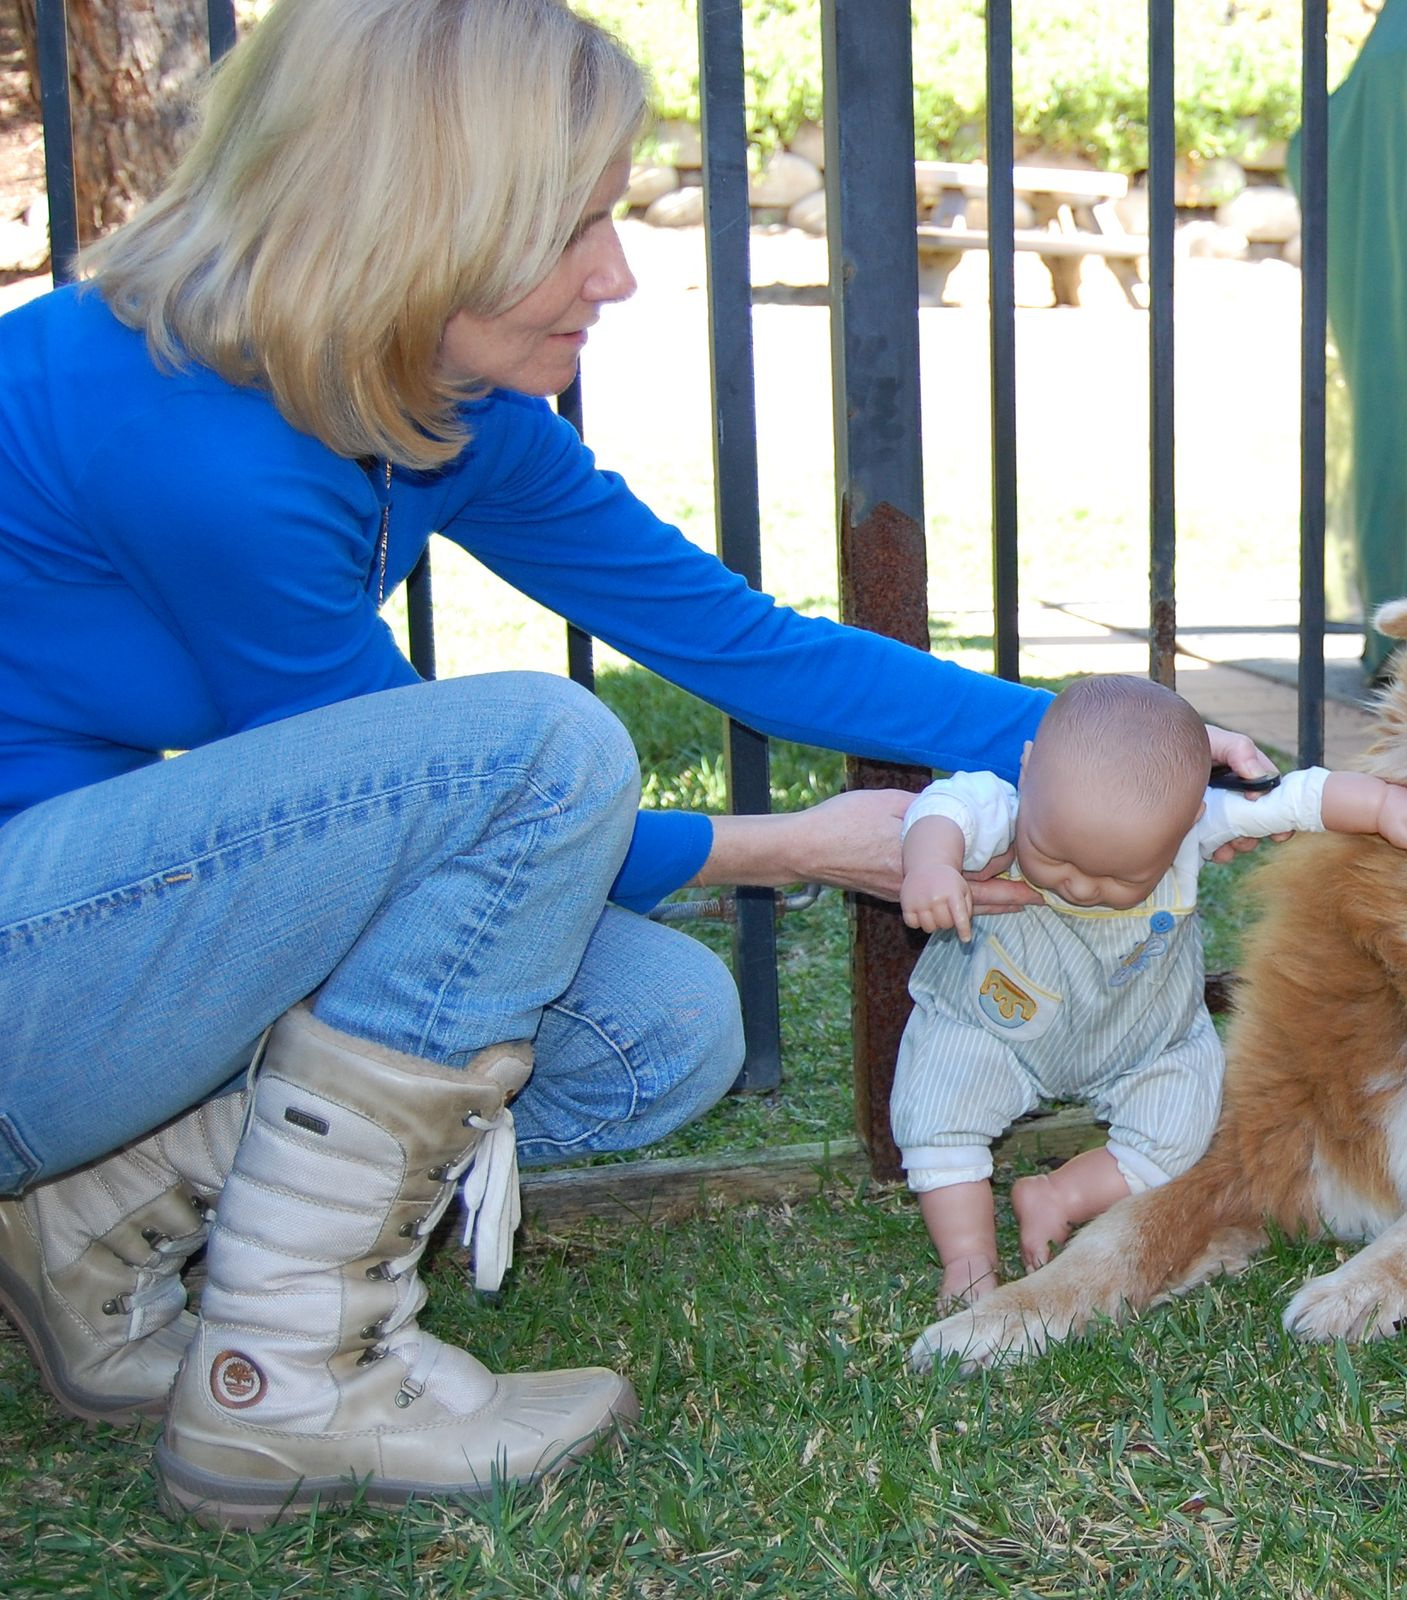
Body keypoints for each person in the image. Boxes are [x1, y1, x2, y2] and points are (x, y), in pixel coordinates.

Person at [0, 0, 1280, 1527]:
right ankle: (286, 1385)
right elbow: (448, 810)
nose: (618, 270)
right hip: (32, 969)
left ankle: (84, 1220)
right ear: (417, 223)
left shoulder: (432, 399)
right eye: (575, 226)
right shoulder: (190, 437)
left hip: (98, 951)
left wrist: (1105, 737)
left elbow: (747, 646)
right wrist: (794, 848)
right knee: (541, 743)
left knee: (655, 1033)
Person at [892, 676, 1407, 1305]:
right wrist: (932, 865)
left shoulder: (1192, 824)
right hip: (991, 1027)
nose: (1080, 886)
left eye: (1123, 876)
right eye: (1053, 854)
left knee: (1181, 1134)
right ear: (1027, 765)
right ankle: (968, 1259)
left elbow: (1298, 797)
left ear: (1194, 818)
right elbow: (943, 808)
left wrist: (1377, 807)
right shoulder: (1007, 804)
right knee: (939, 1114)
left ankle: (1059, 1194)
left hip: (1141, 1039)